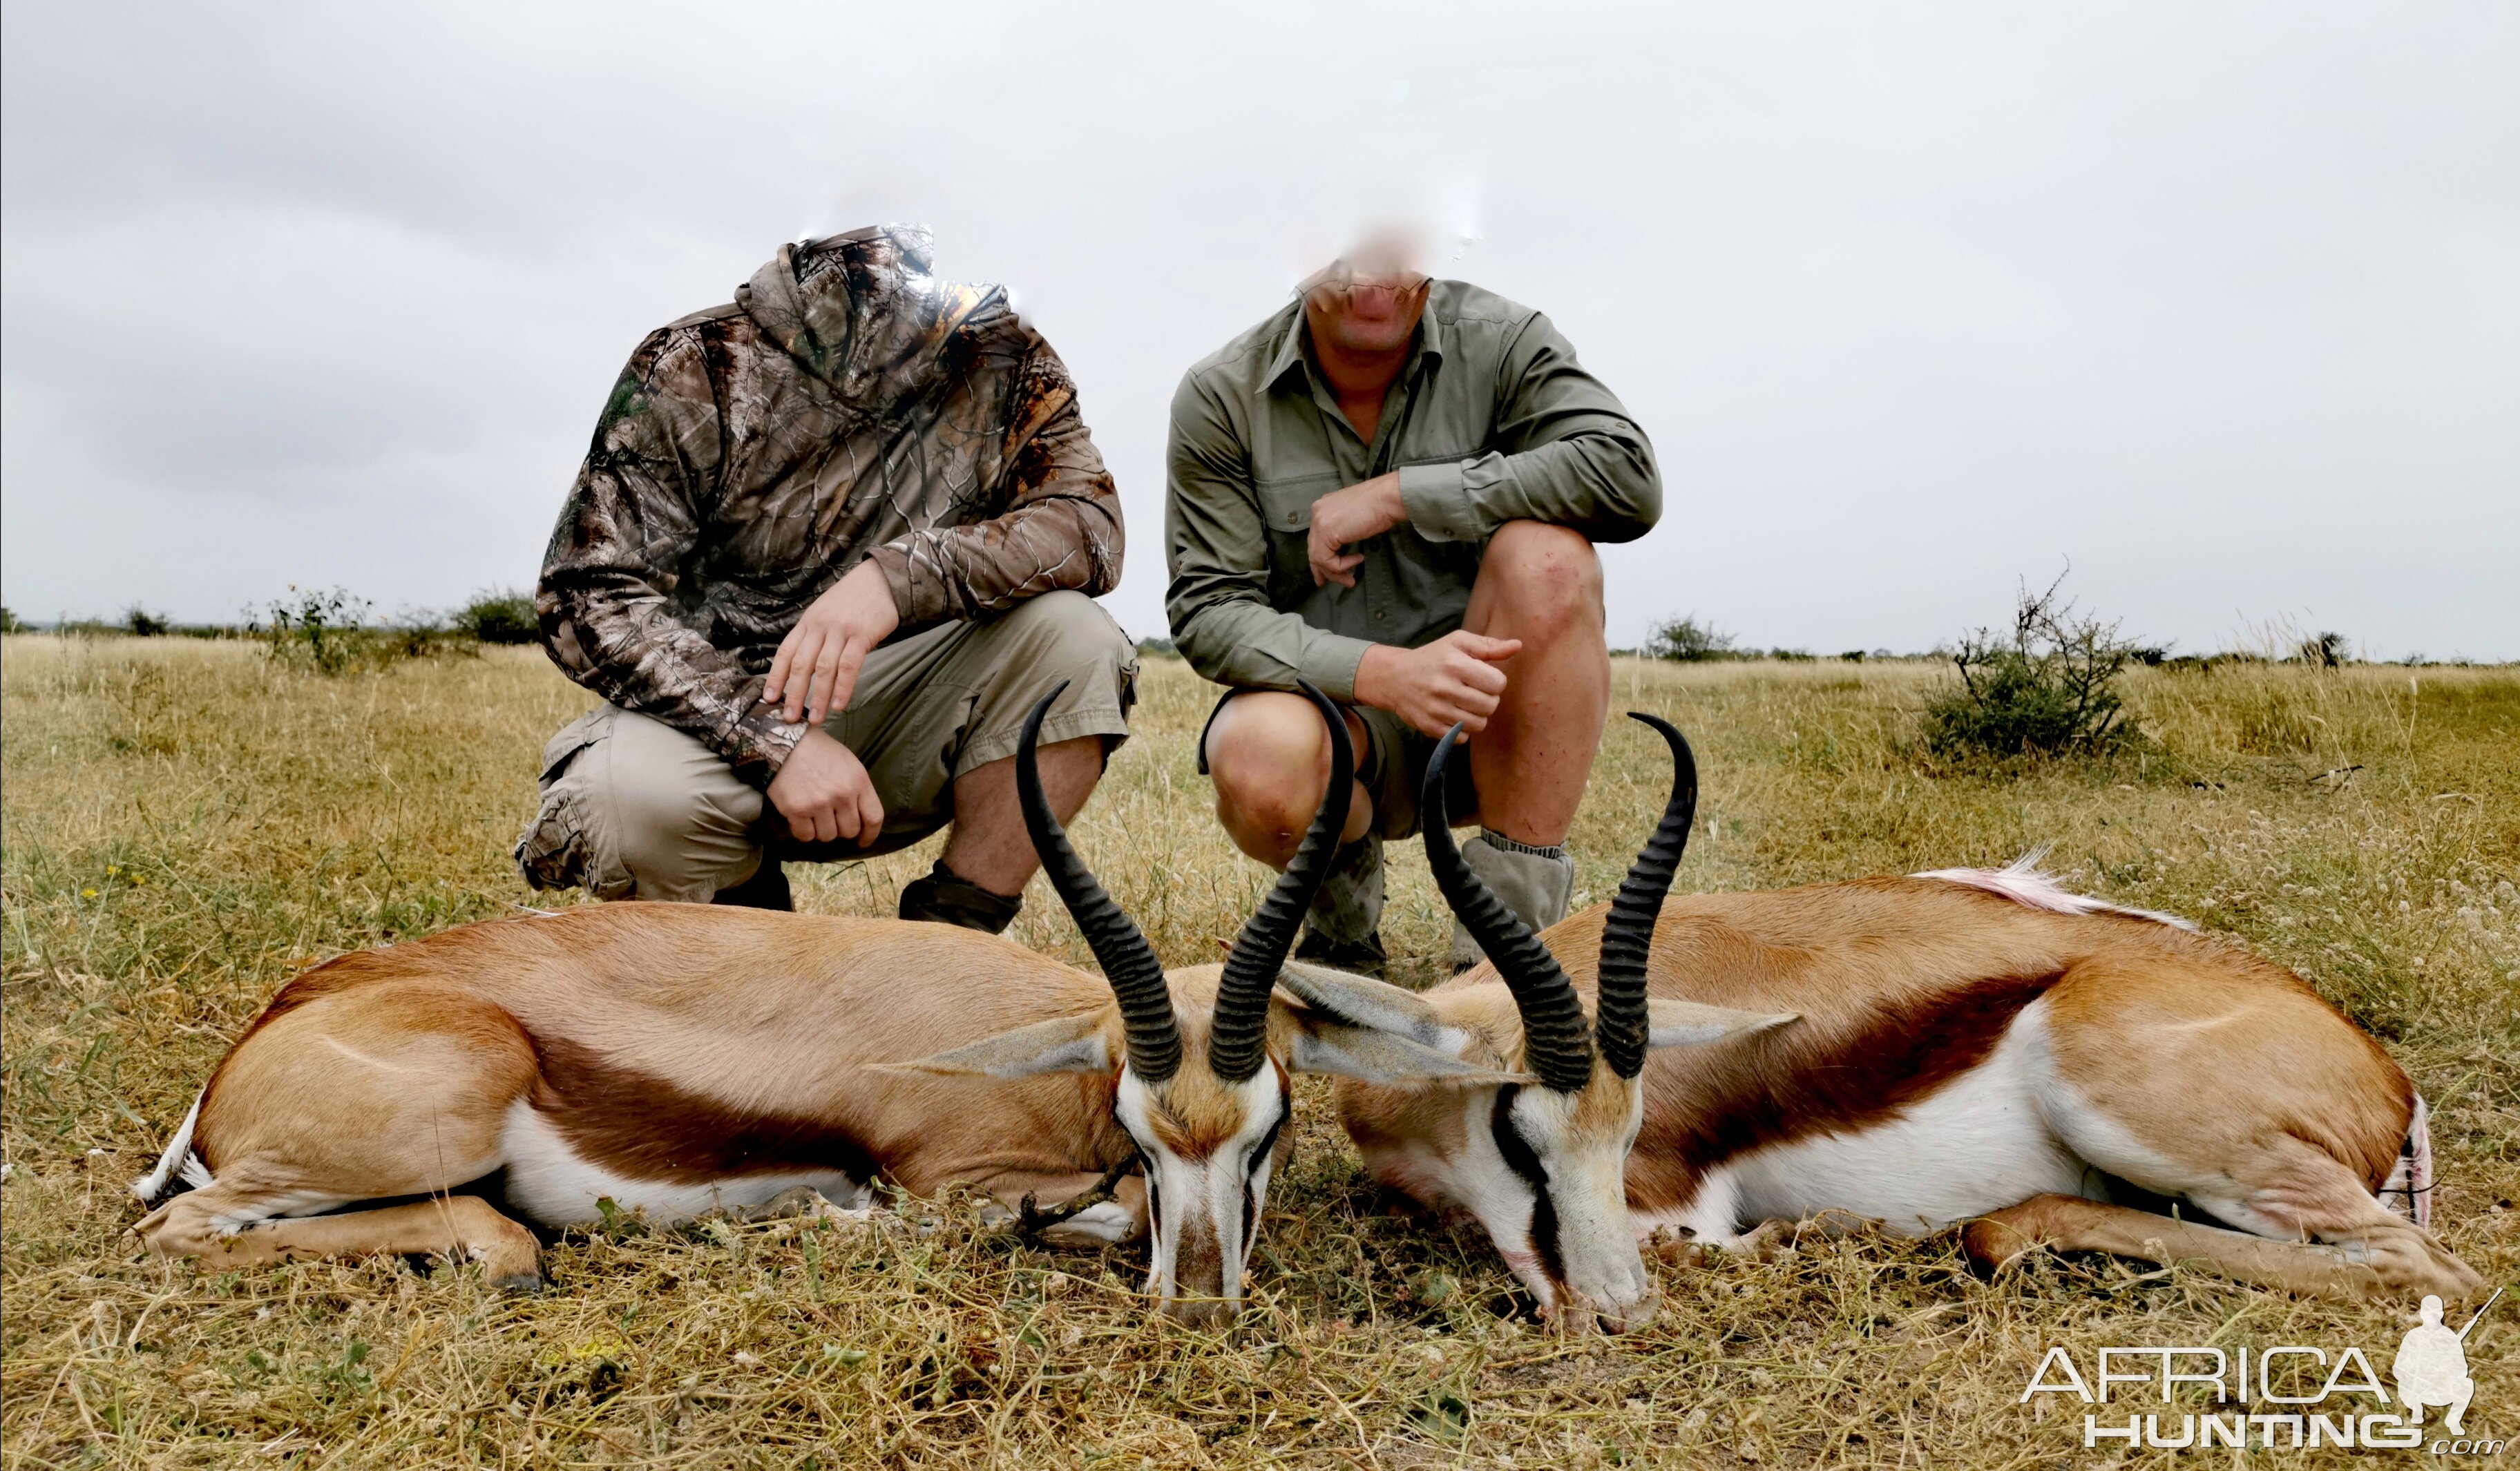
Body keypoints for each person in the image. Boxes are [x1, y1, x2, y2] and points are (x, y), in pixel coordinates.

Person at [515, 225, 1136, 932]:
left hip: (900, 703)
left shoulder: (1002, 355)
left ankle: (945, 955)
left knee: (1080, 642)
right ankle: (757, 958)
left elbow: (1090, 524)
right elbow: (587, 593)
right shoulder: (695, 364)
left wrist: (898, 578)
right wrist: (774, 740)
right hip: (709, 713)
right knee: (623, 802)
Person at [1166, 232, 1659, 972]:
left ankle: (1502, 956)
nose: (1373, 268)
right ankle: (1341, 923)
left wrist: (1403, 494)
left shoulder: (1505, 342)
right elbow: (1208, 611)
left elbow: (1627, 475)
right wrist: (1388, 674)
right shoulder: (1220, 394)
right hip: (1345, 730)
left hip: (1492, 727)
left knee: (1551, 560)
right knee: (1257, 758)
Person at [2393, 1294, 2476, 1434]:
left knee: (2467, 1385)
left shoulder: (2449, 1337)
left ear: (2441, 1314)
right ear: (2422, 1313)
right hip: (2416, 1389)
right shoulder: (2413, 1336)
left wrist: (2445, 1372)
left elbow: (2462, 1368)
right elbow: (2398, 1367)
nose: (2432, 1317)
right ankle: (2416, 1412)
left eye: (2435, 1313)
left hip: (2440, 1389)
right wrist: (2416, 1372)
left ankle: (2453, 1420)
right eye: (2428, 1313)